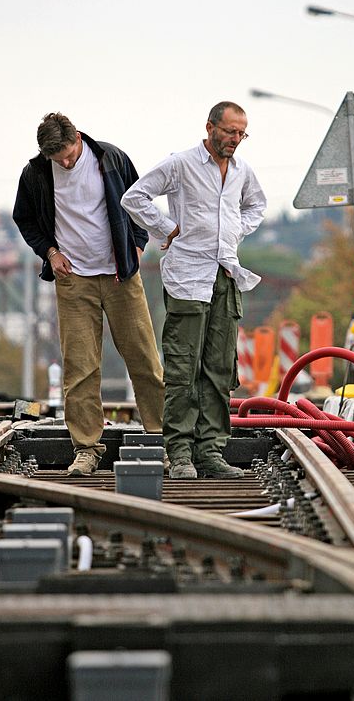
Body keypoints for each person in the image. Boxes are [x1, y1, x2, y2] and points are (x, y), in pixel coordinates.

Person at [13, 112, 164, 476]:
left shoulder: (111, 159)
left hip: (120, 277)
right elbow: (25, 218)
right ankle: (86, 448)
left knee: (144, 359)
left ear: (78, 137)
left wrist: (138, 247)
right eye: (57, 159)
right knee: (80, 368)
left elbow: (139, 204)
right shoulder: (36, 173)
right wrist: (50, 252)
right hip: (73, 280)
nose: (65, 162)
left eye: (68, 154)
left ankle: (163, 439)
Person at [121, 101, 266, 479]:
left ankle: (211, 452)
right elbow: (133, 197)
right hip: (187, 276)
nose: (235, 139)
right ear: (210, 127)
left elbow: (257, 206)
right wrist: (166, 228)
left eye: (241, 133)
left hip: (226, 274)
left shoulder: (241, 172)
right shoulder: (181, 164)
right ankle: (181, 454)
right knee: (184, 367)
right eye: (230, 131)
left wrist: (235, 230)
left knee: (219, 367)